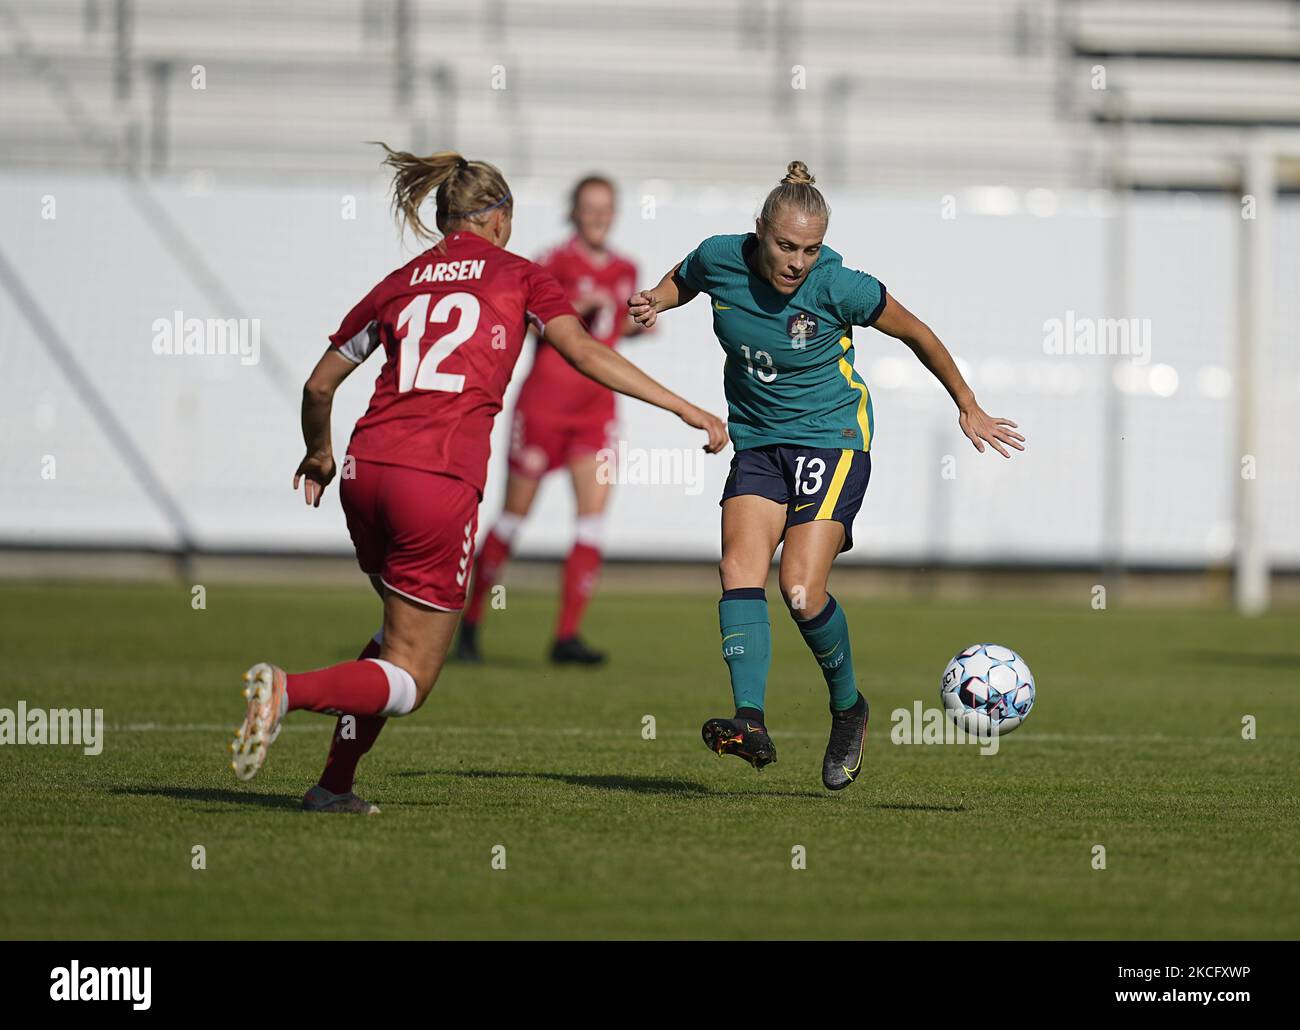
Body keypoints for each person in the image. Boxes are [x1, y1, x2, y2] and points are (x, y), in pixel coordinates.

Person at [228, 147, 727, 813]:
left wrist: (319, 453)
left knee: (393, 637)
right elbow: (583, 351)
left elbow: (320, 385)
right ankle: (287, 689)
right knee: (411, 678)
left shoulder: (400, 280)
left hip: (363, 469)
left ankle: (334, 786)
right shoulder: (521, 275)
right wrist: (684, 407)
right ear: (501, 220)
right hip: (435, 481)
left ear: (443, 221)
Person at [627, 161, 1024, 791]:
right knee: (738, 570)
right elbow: (687, 279)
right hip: (758, 442)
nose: (796, 262)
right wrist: (656, 298)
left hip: (832, 441)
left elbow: (916, 331)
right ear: (759, 232)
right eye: (786, 246)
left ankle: (848, 709)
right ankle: (750, 720)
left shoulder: (840, 286)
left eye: (809, 249)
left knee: (801, 592)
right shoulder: (719, 257)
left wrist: (967, 404)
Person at [457, 175, 642, 666]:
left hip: (596, 410)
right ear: (575, 212)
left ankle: (566, 636)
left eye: (606, 207)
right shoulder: (552, 261)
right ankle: (470, 625)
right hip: (544, 407)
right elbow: (526, 317)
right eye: (590, 207)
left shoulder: (626, 269)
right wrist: (570, 312)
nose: (599, 216)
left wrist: (636, 321)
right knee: (513, 518)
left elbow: (617, 331)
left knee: (592, 523)